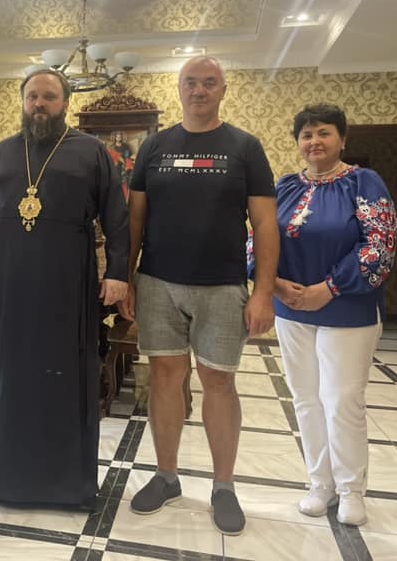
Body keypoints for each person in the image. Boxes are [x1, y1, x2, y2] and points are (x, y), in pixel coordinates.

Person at [119, 56, 278, 535]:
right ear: (179, 88)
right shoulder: (154, 146)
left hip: (223, 286)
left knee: (219, 381)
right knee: (165, 377)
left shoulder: (245, 147)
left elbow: (265, 223)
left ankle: (223, 486)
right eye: (191, 82)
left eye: (210, 82)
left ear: (223, 90)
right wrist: (127, 278)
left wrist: (263, 292)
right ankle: (166, 477)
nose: (200, 90)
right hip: (158, 282)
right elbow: (136, 219)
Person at [0, 68, 129, 508]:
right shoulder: (3, 152)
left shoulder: (91, 151)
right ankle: (11, 481)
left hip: (69, 285)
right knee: (13, 379)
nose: (39, 104)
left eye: (49, 97)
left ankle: (68, 485)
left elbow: (116, 215)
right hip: (14, 286)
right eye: (32, 96)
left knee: (66, 379)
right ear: (22, 101)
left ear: (65, 103)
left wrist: (118, 272)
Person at [251, 103, 396, 526]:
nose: (314, 141)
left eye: (324, 133)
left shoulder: (364, 183)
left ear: (342, 139)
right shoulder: (284, 187)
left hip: (347, 308)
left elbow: (380, 245)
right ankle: (321, 483)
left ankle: (351, 489)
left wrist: (328, 288)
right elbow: (257, 239)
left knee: (342, 400)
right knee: (305, 398)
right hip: (291, 308)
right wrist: (275, 284)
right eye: (307, 135)